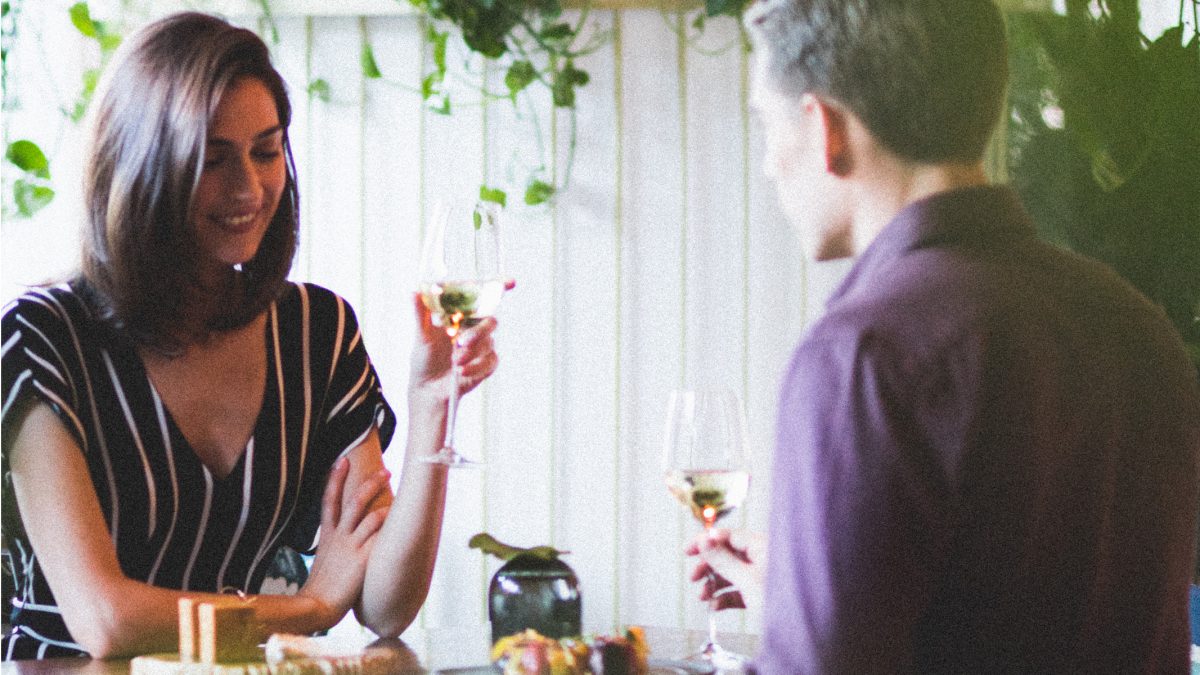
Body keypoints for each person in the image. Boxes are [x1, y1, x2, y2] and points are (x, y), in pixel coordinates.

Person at [687, 0, 1200, 672]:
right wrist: (800, 599)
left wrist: (801, 637)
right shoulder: (1137, 326)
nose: (769, 165)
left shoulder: (863, 356)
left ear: (822, 128)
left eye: (767, 123)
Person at [0, 12, 501, 660]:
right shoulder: (43, 338)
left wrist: (434, 410)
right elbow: (105, 619)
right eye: (213, 160)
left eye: (266, 151)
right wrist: (307, 608)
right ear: (143, 166)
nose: (249, 188)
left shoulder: (319, 333)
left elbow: (384, 603)